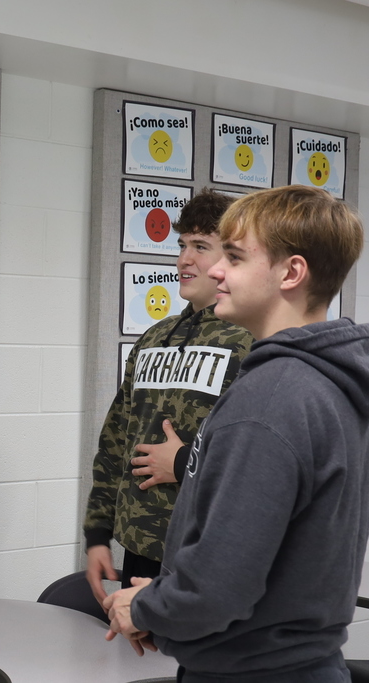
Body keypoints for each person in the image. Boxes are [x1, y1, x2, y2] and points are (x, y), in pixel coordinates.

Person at [105, 185, 369, 682]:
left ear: (291, 273)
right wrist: (163, 605)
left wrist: (143, 608)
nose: (217, 271)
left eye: (235, 257)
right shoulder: (324, 384)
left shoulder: (270, 400)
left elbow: (218, 586)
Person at [83, 189, 253, 605]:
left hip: (204, 551)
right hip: (139, 545)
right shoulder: (153, 340)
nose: (183, 260)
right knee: (135, 665)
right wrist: (98, 534)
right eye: (181, 246)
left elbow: (252, 458)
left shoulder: (252, 341)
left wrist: (181, 464)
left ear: (232, 257)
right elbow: (116, 439)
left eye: (200, 246)